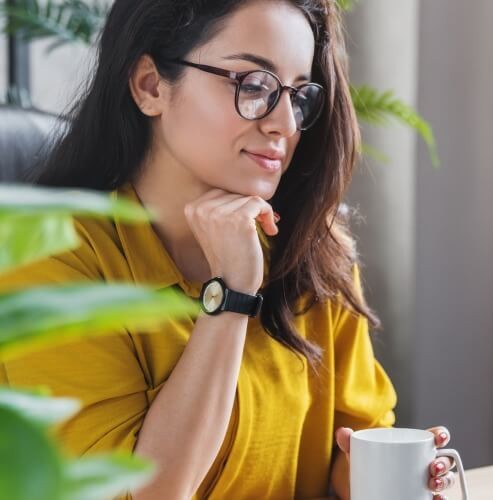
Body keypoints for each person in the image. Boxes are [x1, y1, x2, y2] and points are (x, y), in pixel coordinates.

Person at [0, 0, 457, 498]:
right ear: (150, 86)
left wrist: (396, 472)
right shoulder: (50, 263)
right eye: (253, 85)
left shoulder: (314, 251)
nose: (284, 123)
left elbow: (350, 445)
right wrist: (233, 292)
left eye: (297, 94)